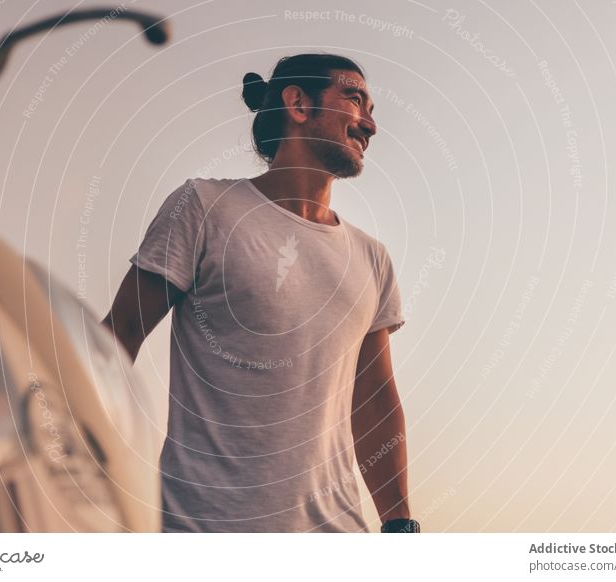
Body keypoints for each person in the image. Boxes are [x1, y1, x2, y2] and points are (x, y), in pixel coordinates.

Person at [103, 53, 418, 533]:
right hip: (205, 531)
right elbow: (117, 338)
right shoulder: (205, 208)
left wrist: (400, 526)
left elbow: (373, 400)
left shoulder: (371, 257)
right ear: (297, 103)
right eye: (355, 101)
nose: (370, 125)